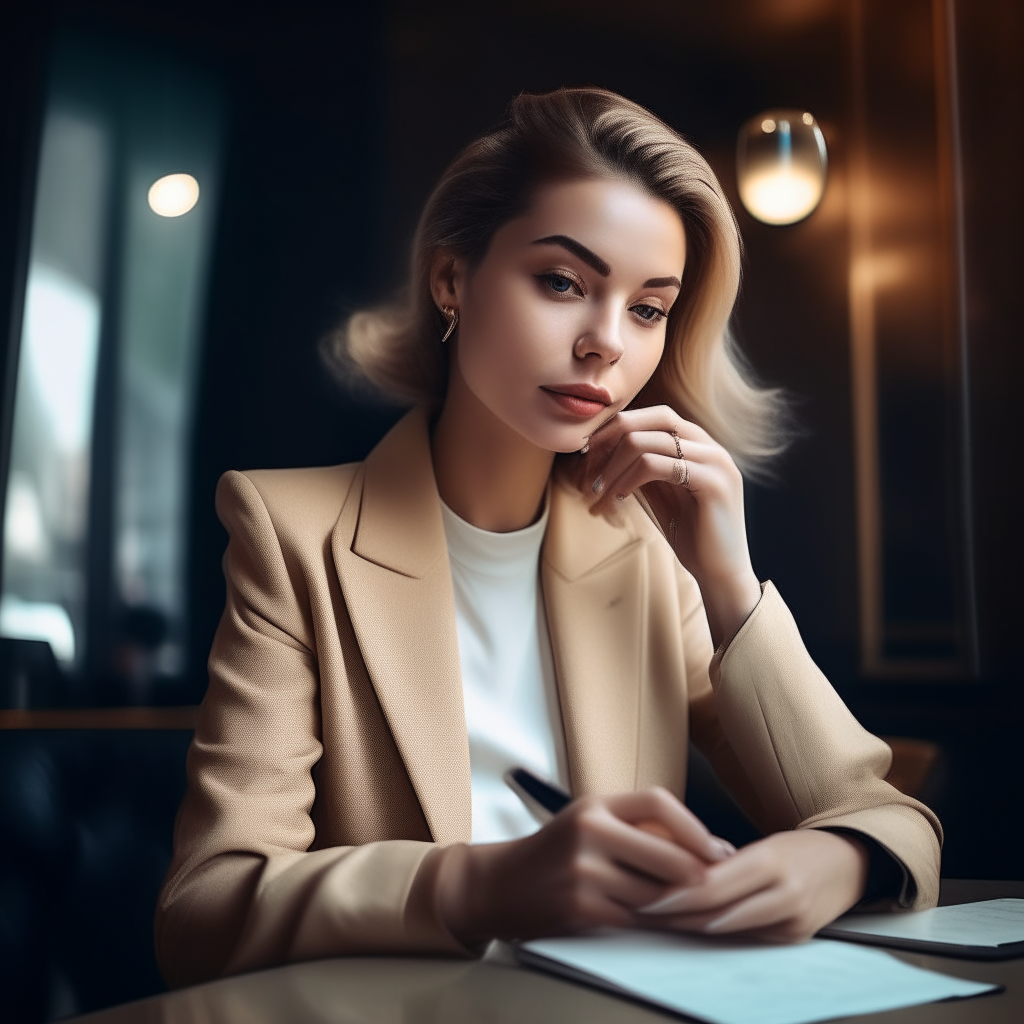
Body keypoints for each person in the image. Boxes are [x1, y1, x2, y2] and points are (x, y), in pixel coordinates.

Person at [155, 87, 941, 987]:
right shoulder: (288, 531)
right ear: (452, 280)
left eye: (649, 309)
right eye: (563, 283)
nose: (606, 343)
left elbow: (883, 817)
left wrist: (833, 854)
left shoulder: (647, 555)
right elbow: (202, 913)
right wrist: (483, 883)